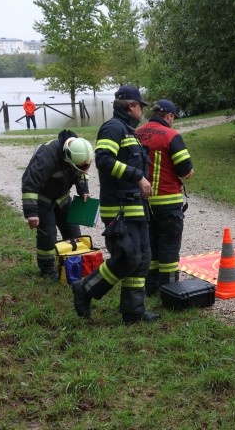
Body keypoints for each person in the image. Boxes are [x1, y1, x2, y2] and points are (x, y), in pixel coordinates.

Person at [70, 85, 160, 324]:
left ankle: (134, 312)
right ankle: (85, 288)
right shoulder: (113, 128)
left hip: (136, 207)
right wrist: (137, 176)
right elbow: (103, 160)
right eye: (141, 106)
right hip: (120, 209)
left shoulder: (129, 131)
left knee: (141, 258)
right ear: (131, 106)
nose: (142, 110)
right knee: (128, 258)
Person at [136, 99, 195, 296]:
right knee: (169, 249)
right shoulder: (171, 135)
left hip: (143, 202)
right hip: (168, 202)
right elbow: (184, 168)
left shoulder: (137, 133)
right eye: (173, 118)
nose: (173, 121)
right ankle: (169, 291)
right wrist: (189, 173)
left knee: (151, 246)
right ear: (169, 116)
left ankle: (151, 289)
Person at [22, 130, 93, 278]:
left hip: (62, 197)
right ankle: (47, 270)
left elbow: (81, 173)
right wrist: (32, 213)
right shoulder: (46, 156)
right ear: (67, 158)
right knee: (48, 235)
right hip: (43, 199)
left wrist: (83, 191)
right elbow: (30, 184)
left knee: (73, 233)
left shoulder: (78, 153)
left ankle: (74, 266)